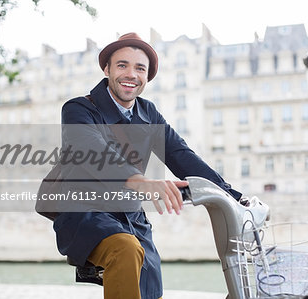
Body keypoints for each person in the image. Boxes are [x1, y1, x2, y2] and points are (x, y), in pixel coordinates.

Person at [54, 33, 242, 299]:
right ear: (107, 69)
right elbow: (92, 150)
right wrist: (141, 181)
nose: (131, 74)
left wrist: (235, 196)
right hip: (86, 214)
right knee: (125, 248)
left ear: (147, 76)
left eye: (139, 68)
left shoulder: (148, 113)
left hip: (131, 218)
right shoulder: (78, 109)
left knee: (151, 289)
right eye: (122, 65)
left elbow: (181, 154)